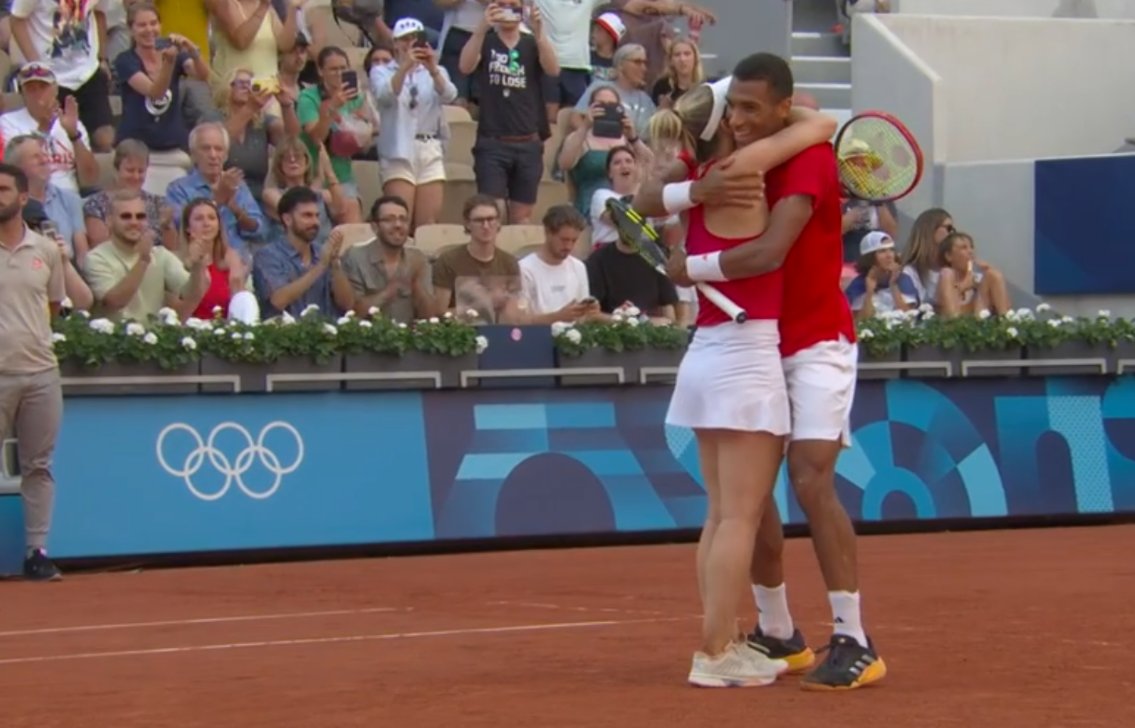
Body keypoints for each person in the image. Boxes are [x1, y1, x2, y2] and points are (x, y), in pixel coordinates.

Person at [638, 53, 886, 691]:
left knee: (807, 478)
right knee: (748, 505)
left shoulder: (803, 155)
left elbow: (772, 246)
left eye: (756, 109)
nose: (744, 121)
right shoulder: (724, 163)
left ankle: (853, 636)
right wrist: (692, 191)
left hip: (817, 341)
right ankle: (776, 631)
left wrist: (688, 265)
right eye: (736, 108)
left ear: (783, 105)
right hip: (753, 344)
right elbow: (645, 195)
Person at [0, 162, 67, 581]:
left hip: (41, 372)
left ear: (23, 197)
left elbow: (55, 305)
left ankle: (36, 551)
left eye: (4, 189)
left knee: (38, 466)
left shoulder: (45, 250)